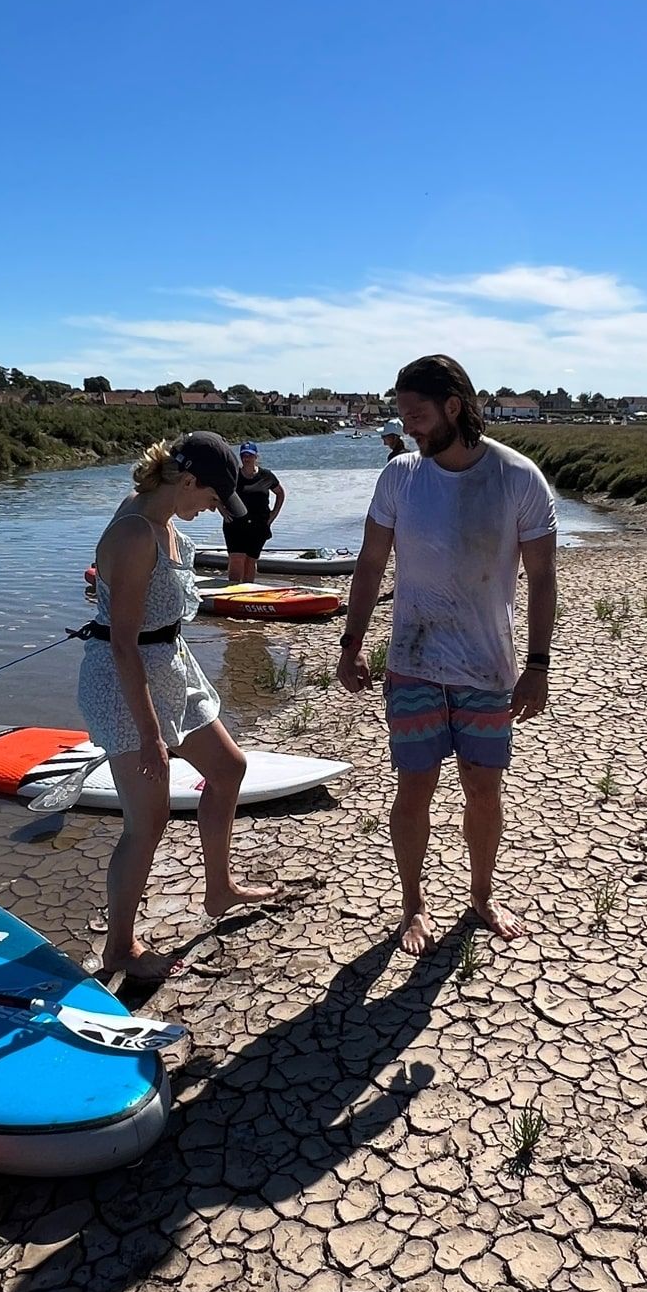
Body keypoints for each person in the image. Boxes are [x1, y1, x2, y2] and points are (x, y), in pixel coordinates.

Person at [337, 355, 557, 955]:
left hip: (487, 669)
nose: (407, 427)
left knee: (484, 790)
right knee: (414, 788)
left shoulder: (518, 479)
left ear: (454, 409)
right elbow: (371, 564)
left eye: (418, 415)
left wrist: (537, 666)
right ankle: (412, 907)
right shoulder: (401, 477)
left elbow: (542, 579)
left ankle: (481, 896)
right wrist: (352, 643)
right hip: (412, 661)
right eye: (403, 415)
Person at [81, 431, 277, 981]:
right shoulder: (135, 531)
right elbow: (121, 643)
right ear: (186, 481)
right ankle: (119, 948)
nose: (213, 509)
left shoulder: (159, 517)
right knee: (149, 820)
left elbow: (131, 601)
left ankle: (219, 889)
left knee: (229, 767)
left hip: (168, 665)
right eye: (212, 499)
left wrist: (107, 589)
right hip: (125, 681)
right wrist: (150, 736)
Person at [223, 442, 286, 584]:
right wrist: (222, 510)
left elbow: (280, 493)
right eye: (244, 455)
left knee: (251, 560)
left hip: (259, 523)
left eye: (250, 455)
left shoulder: (266, 476)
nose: (247, 458)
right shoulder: (234, 475)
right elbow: (217, 493)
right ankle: (232, 589)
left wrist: (273, 514)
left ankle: (248, 590)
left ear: (256, 456)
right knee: (237, 558)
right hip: (235, 523)